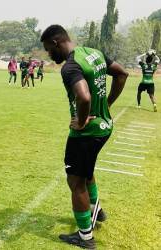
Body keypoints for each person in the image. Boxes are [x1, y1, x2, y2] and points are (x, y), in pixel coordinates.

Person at [41, 25, 128, 249]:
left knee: (75, 181)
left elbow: (84, 97)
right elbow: (121, 73)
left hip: (86, 134)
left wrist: (80, 122)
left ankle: (85, 237)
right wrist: (107, 105)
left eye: (48, 50)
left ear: (55, 43)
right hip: (105, 127)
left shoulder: (71, 66)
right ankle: (97, 211)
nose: (49, 55)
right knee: (86, 172)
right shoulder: (93, 53)